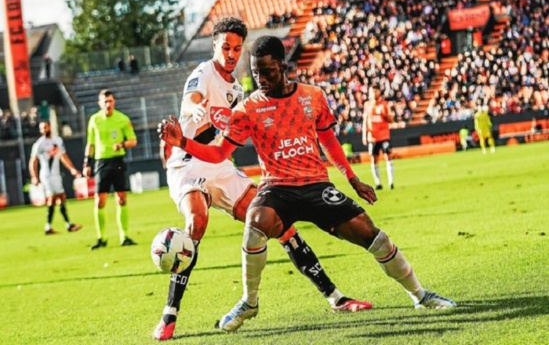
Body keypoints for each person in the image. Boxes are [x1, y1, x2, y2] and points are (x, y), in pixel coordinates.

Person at [159, 35, 456, 332]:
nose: (261, 79)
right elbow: (218, 153)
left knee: (372, 234)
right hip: (277, 187)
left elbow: (329, 140)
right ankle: (250, 302)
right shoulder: (248, 109)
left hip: (316, 185)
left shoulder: (313, 96)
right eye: (256, 73)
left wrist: (352, 179)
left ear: (283, 66)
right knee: (256, 220)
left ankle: (420, 294)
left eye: (268, 72)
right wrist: (182, 141)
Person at [153, 18, 371, 341]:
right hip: (187, 165)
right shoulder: (203, 72)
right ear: (214, 45)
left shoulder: (238, 89)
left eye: (236, 48)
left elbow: (226, 141)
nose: (230, 53)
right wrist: (196, 110)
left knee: (279, 224)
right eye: (225, 47)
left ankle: (335, 296)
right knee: (196, 222)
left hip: (220, 166)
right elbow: (192, 97)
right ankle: (169, 316)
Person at [83, 89, 138, 250]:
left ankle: (124, 236)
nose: (108, 104)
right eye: (105, 101)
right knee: (100, 200)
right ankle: (101, 238)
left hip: (117, 160)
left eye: (110, 101)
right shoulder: (94, 120)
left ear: (114, 102)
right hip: (101, 162)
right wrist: (87, 163)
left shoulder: (123, 119)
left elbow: (133, 140)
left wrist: (122, 144)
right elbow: (91, 144)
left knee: (121, 198)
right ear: (99, 103)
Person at [29, 121, 82, 235]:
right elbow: (33, 161)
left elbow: (63, 156)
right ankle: (65, 225)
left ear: (50, 127)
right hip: (47, 175)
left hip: (56, 174)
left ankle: (51, 227)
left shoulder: (57, 141)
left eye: (45, 127)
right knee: (54, 197)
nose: (44, 130)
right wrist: (34, 177)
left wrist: (72, 169)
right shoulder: (39, 144)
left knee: (59, 198)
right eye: (42, 128)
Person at [362, 84, 395, 190]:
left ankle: (391, 182)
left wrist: (385, 114)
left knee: (388, 156)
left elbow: (391, 120)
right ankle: (378, 183)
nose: (373, 93)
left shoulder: (385, 104)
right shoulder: (367, 105)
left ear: (379, 92)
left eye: (375, 91)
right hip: (372, 137)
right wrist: (364, 135)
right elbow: (365, 121)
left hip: (384, 135)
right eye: (372, 92)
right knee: (374, 159)